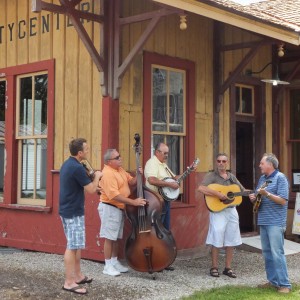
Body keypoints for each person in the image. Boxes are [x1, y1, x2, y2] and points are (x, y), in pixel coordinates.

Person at [59, 138, 103, 295]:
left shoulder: (68, 164)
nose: (88, 151)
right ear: (80, 153)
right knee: (72, 246)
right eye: (87, 149)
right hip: (72, 212)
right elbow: (91, 190)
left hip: (68, 210)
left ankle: (77, 276)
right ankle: (69, 282)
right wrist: (97, 176)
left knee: (76, 245)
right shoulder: (77, 168)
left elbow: (82, 185)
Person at [198, 153, 247, 279]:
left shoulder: (232, 177)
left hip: (231, 210)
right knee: (217, 237)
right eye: (219, 161)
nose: (221, 163)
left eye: (223, 161)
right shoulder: (211, 176)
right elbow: (201, 188)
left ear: (227, 163)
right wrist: (218, 194)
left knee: (232, 238)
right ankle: (214, 267)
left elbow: (241, 190)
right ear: (216, 162)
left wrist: (253, 193)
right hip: (217, 211)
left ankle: (228, 268)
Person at [98, 148, 146, 276]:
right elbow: (114, 196)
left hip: (118, 208)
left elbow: (131, 181)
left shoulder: (119, 170)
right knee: (109, 238)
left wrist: (138, 175)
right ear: (109, 161)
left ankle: (114, 262)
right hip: (110, 207)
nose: (120, 159)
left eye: (120, 156)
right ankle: (107, 266)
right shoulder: (108, 173)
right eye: (117, 157)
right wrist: (134, 202)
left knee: (115, 238)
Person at [249, 153, 291, 294]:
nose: (259, 165)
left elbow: (283, 200)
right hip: (263, 220)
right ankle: (273, 282)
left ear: (270, 165)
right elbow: (258, 200)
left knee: (277, 253)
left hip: (275, 222)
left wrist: (267, 194)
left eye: (262, 163)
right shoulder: (262, 178)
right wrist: (254, 198)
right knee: (267, 253)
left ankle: (285, 284)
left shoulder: (281, 178)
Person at [144, 142, 186, 271]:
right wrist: (169, 185)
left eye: (168, 153)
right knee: (157, 231)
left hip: (165, 201)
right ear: (157, 152)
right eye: (165, 153)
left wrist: (186, 173)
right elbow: (151, 180)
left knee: (165, 230)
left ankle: (164, 260)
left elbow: (174, 179)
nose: (167, 155)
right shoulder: (152, 163)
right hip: (156, 201)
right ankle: (156, 261)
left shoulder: (163, 165)